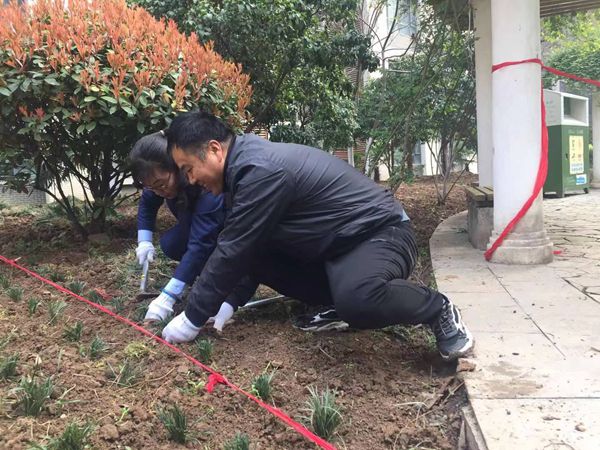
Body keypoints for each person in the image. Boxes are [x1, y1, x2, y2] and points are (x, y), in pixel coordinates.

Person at [160, 111, 474, 361]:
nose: (189, 180)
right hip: (336, 248)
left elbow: (233, 249)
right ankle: (338, 301)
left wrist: (191, 318)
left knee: (359, 299)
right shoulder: (242, 171)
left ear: (214, 150)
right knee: (255, 249)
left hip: (381, 233)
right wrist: (224, 306)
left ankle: (438, 310)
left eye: (188, 169)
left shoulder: (260, 170)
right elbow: (244, 249)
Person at [129, 131, 236, 330]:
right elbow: (148, 203)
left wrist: (168, 296)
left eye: (161, 184)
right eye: (152, 187)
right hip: (196, 225)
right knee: (172, 243)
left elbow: (200, 243)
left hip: (225, 229)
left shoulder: (203, 183)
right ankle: (201, 275)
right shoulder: (157, 180)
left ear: (177, 168)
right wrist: (144, 240)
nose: (159, 191)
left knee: (207, 250)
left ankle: (226, 286)